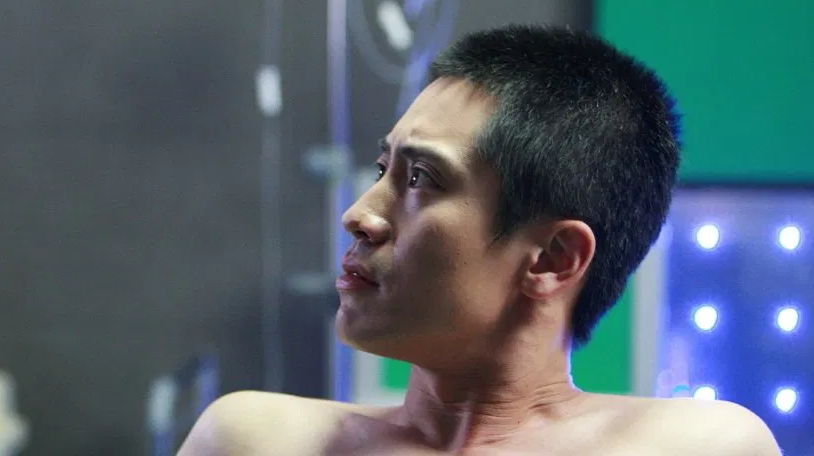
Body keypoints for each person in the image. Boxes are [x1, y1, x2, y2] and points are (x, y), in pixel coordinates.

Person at [179, 24, 782, 455]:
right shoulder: (254, 440)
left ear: (552, 258)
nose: (359, 215)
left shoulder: (695, 445)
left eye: (420, 178)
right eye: (382, 170)